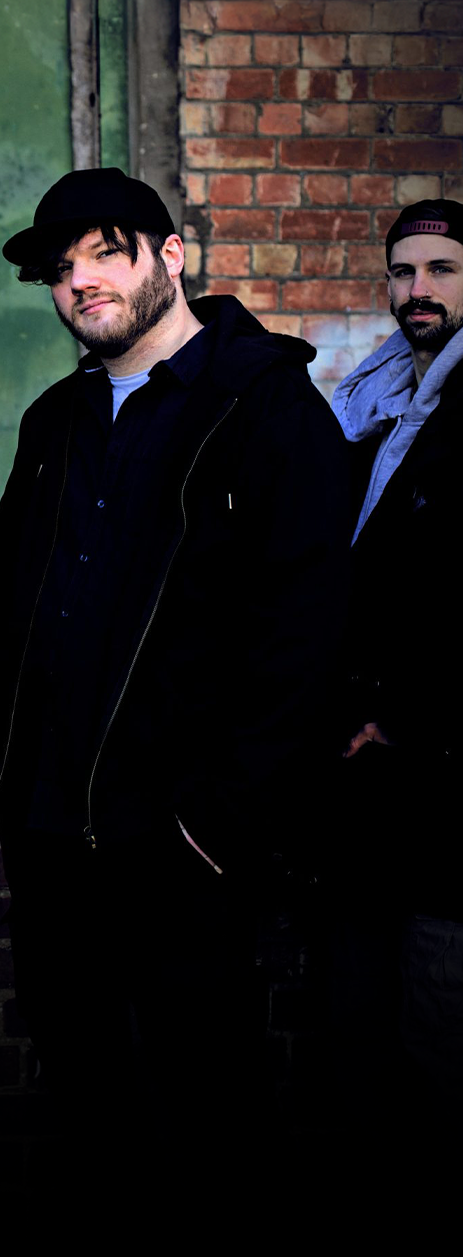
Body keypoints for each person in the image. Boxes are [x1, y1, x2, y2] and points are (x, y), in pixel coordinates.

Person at [0, 168, 350, 1190]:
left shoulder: (265, 410)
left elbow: (306, 637)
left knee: (210, 1111)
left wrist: (220, 824)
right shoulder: (55, 422)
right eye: (63, 269)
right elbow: (13, 603)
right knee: (91, 1106)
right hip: (56, 839)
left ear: (171, 254)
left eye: (106, 252)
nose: (81, 282)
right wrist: (14, 784)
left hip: (183, 848)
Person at [329, 198, 463, 1138]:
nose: (418, 291)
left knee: (438, 1013)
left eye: (442, 271)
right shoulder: (375, 394)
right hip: (369, 756)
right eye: (404, 272)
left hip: (444, 761)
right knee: (367, 1008)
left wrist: (408, 714)